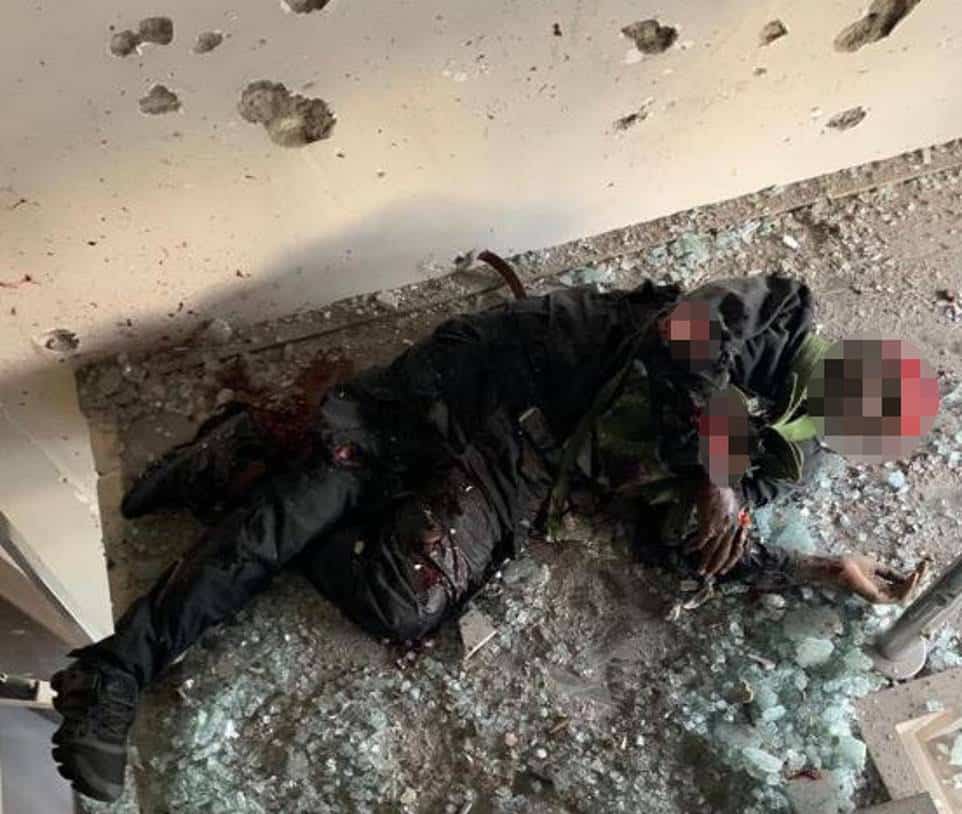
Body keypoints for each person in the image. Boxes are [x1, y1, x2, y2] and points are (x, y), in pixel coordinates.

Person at [50, 274, 937, 802]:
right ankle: (117, 673)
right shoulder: (776, 313)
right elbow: (686, 342)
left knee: (401, 600)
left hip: (528, 462)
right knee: (329, 486)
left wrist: (819, 568)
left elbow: (680, 545)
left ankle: (244, 465)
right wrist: (716, 477)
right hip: (496, 376)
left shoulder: (777, 465)